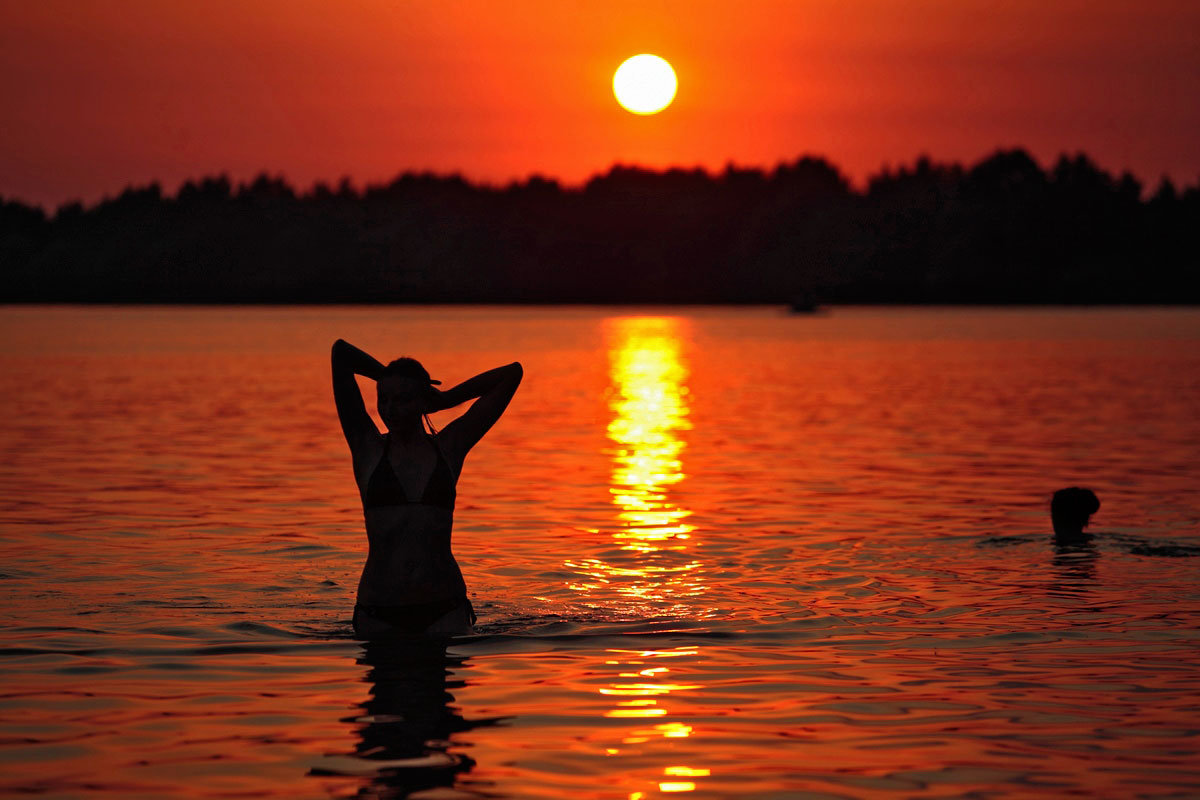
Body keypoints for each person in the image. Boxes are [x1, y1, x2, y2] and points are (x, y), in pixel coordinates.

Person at [331, 339, 522, 637]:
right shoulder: (367, 449)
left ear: (421, 402)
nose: (391, 409)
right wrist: (393, 377)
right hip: (379, 611)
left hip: (444, 610)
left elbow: (512, 374)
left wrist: (444, 399)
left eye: (403, 399)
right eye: (385, 399)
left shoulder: (449, 448)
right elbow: (341, 353)